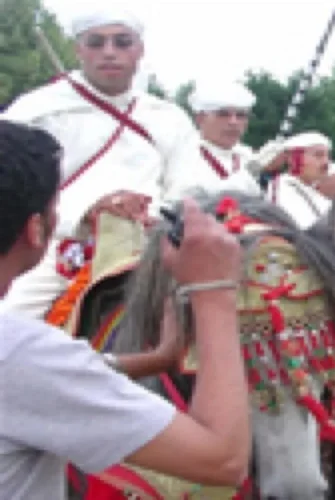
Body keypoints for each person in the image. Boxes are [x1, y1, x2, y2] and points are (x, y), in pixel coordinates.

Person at [0, 120, 250, 499]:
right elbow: (223, 461)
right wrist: (213, 291)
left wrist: (154, 359)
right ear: (37, 229)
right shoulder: (23, 354)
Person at [0, 7, 212, 319]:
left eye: (122, 42)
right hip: (58, 244)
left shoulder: (169, 118)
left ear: (139, 50)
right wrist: (88, 212)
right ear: (79, 50)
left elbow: (189, 185)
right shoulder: (37, 109)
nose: (109, 52)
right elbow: (14, 188)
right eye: (96, 43)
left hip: (150, 243)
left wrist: (150, 215)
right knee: (11, 318)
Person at [265, 131, 335, 245]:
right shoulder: (283, 187)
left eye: (328, 156)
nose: (326, 162)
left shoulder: (314, 194)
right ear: (294, 158)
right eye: (318, 155)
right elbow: (308, 233)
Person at [187, 80, 263, 196]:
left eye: (241, 115)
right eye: (223, 114)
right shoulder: (184, 155)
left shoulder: (248, 156)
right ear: (200, 119)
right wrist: (249, 174)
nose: (233, 122)